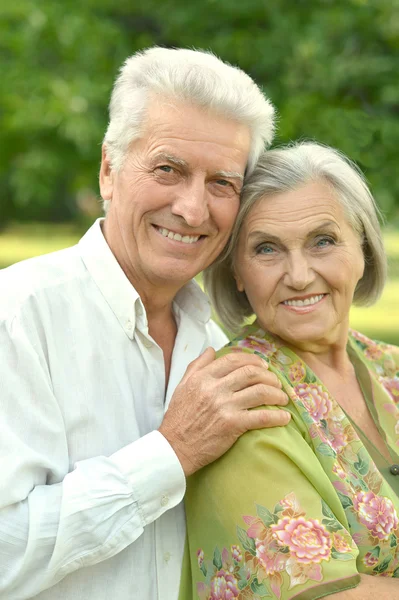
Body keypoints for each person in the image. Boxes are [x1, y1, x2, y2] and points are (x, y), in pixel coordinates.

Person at [0, 48, 291, 600]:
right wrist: (171, 452)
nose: (192, 209)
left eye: (222, 184)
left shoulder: (221, 350)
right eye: (168, 169)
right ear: (109, 169)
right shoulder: (16, 318)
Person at [180, 141, 399, 599]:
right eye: (267, 249)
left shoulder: (388, 365)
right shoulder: (241, 396)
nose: (299, 275)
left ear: (362, 248)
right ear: (237, 272)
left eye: (323, 241)